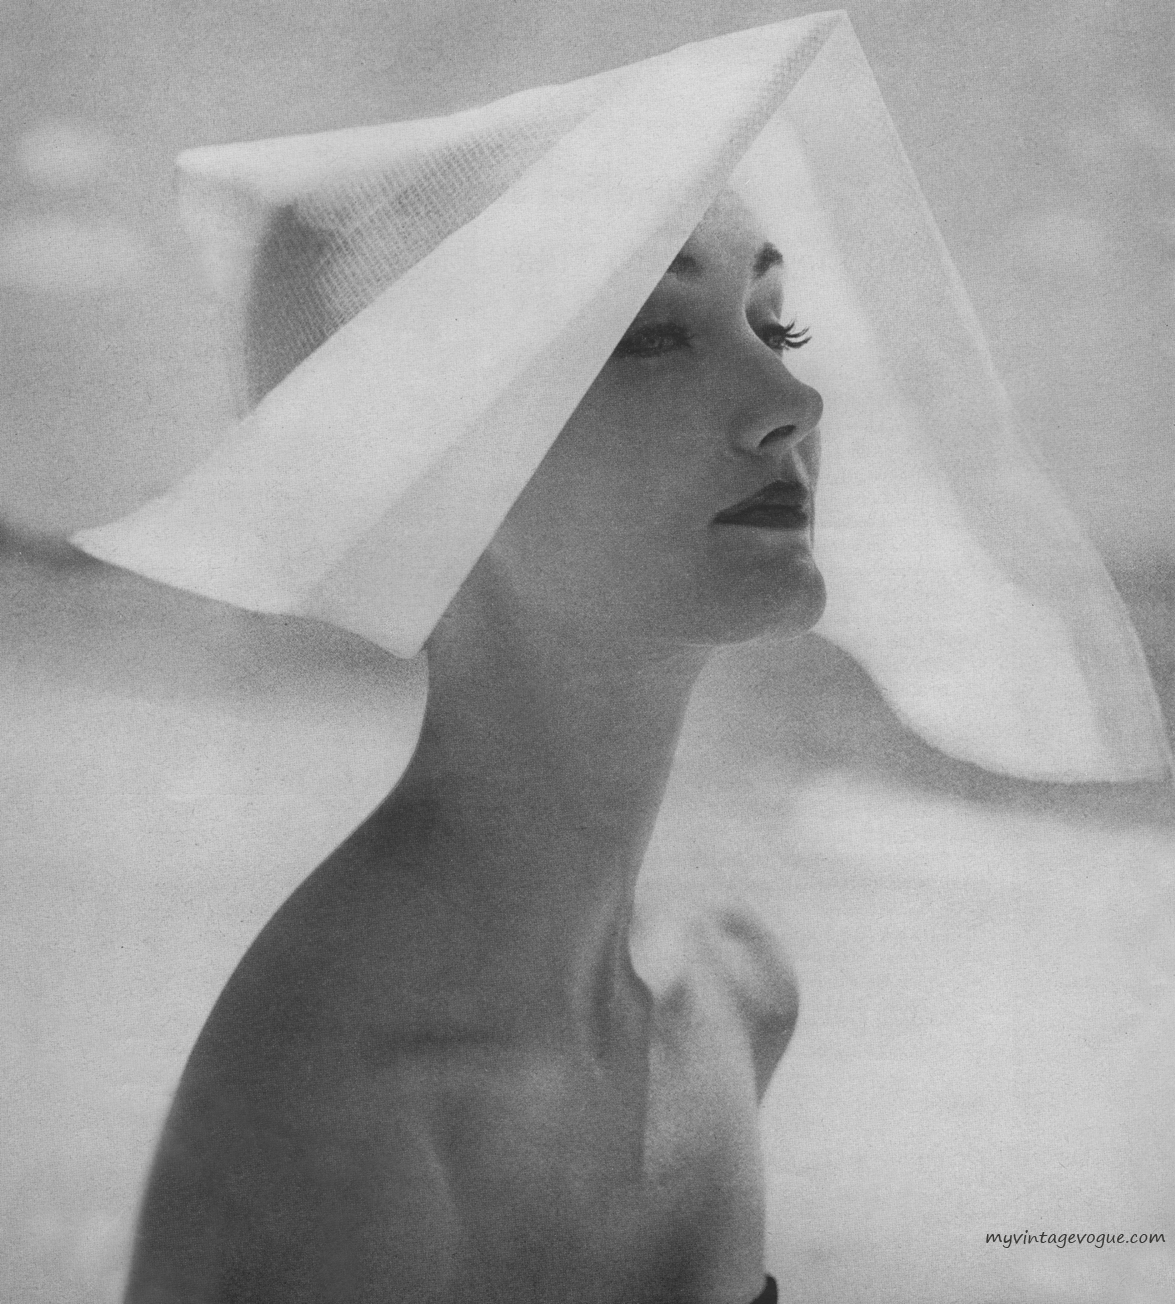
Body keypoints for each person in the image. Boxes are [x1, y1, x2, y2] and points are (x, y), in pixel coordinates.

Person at [72, 14, 1169, 1304]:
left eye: (776, 327)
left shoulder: (734, 994)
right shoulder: (347, 1115)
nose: (793, 402)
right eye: (647, 335)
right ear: (424, 454)